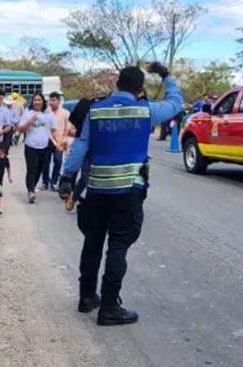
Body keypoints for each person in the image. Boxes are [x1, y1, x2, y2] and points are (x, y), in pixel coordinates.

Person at [58, 62, 183, 326]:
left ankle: (87, 297)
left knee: (92, 242)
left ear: (116, 84)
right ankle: (110, 306)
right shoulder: (146, 110)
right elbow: (175, 103)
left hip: (96, 189)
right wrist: (166, 76)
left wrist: (67, 177)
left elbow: (81, 145)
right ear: (139, 89)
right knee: (118, 245)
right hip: (128, 191)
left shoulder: (96, 110)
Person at [18, 93, 58, 204]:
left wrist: (58, 142)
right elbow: (20, 129)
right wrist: (30, 121)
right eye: (35, 100)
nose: (37, 102)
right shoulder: (28, 113)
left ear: (43, 102)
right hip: (31, 146)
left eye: (39, 100)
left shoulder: (48, 115)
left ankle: (33, 187)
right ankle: (30, 191)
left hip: (44, 146)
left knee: (39, 169)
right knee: (32, 169)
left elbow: (53, 130)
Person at [45, 92, 73, 190]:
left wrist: (63, 140)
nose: (51, 103)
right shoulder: (47, 113)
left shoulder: (65, 113)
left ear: (58, 101)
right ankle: (45, 182)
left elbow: (68, 127)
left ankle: (54, 181)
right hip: (49, 140)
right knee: (45, 162)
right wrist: (54, 141)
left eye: (54, 100)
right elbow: (46, 129)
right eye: (50, 100)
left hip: (61, 141)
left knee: (58, 161)